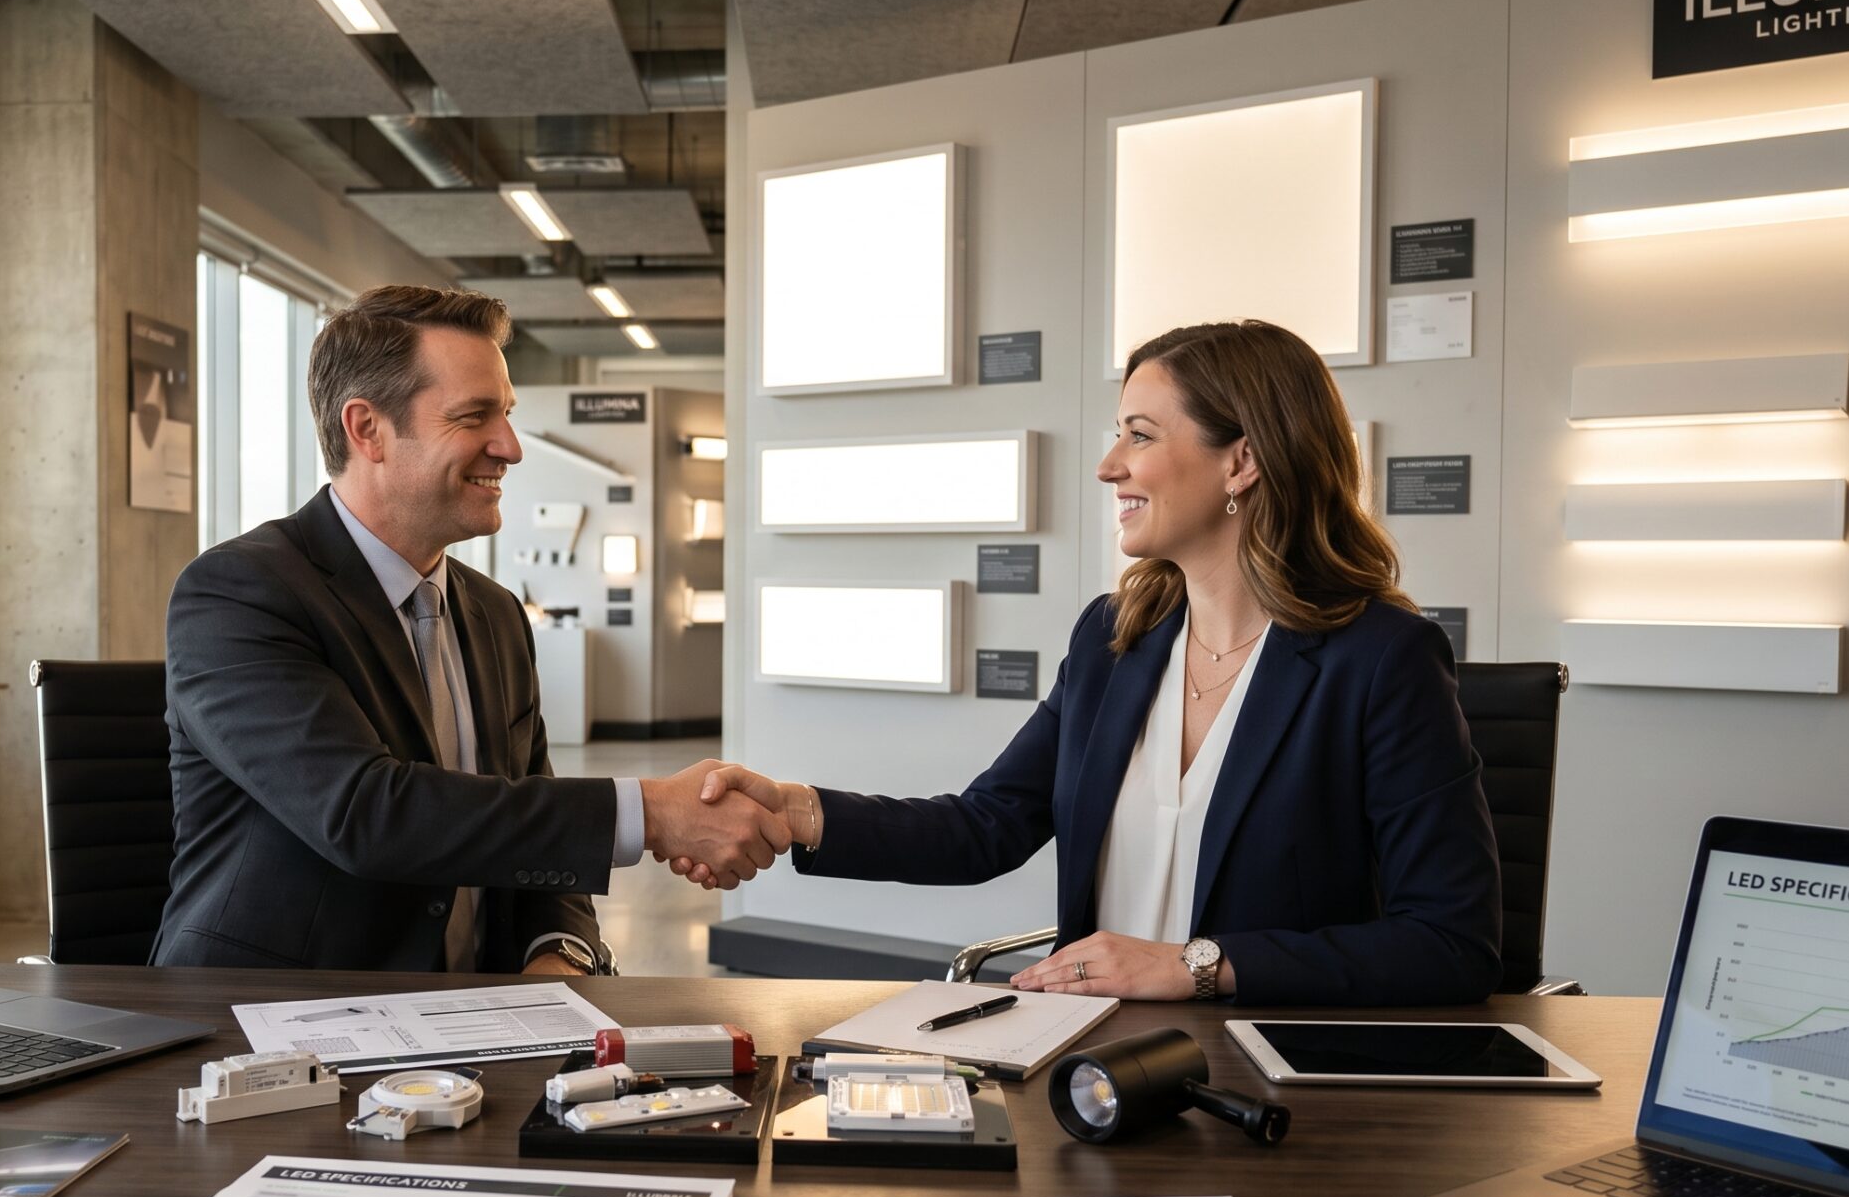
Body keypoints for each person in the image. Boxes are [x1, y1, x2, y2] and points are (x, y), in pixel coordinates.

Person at [668, 320, 1502, 1005]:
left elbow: (1451, 942)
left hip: (1274, 1072)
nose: (1109, 465)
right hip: (1089, 1057)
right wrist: (799, 808)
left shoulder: (1383, 661)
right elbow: (985, 825)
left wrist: (1194, 964)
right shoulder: (1113, 640)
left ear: (1241, 461)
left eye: (1140, 436)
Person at [154, 285, 788, 974]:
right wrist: (649, 812)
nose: (509, 446)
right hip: (268, 1026)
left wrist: (559, 952)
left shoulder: (495, 614)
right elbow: (365, 813)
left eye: (507, 414)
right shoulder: (238, 593)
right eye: (475, 416)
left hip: (470, 1027)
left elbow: (530, 819)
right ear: (367, 429)